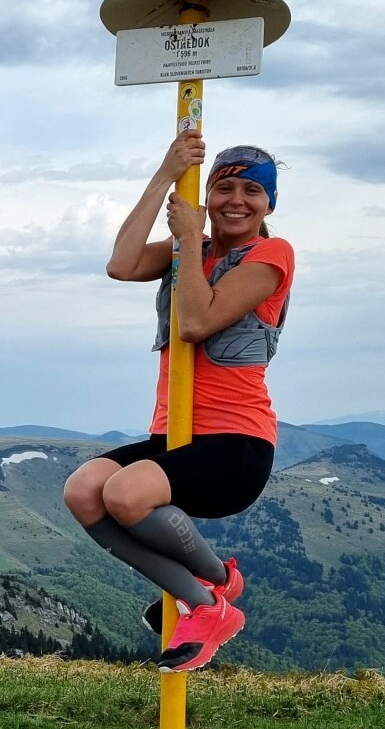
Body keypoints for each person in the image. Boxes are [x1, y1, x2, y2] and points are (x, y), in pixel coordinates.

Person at [63, 130, 293, 671]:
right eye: (224, 188)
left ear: (269, 204)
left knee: (125, 494)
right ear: (207, 196)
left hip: (236, 442)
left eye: (253, 191)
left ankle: (207, 605)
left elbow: (195, 322)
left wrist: (190, 240)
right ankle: (216, 584)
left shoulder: (272, 254)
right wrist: (165, 176)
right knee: (83, 491)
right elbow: (121, 264)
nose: (237, 200)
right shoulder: (191, 248)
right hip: (175, 430)